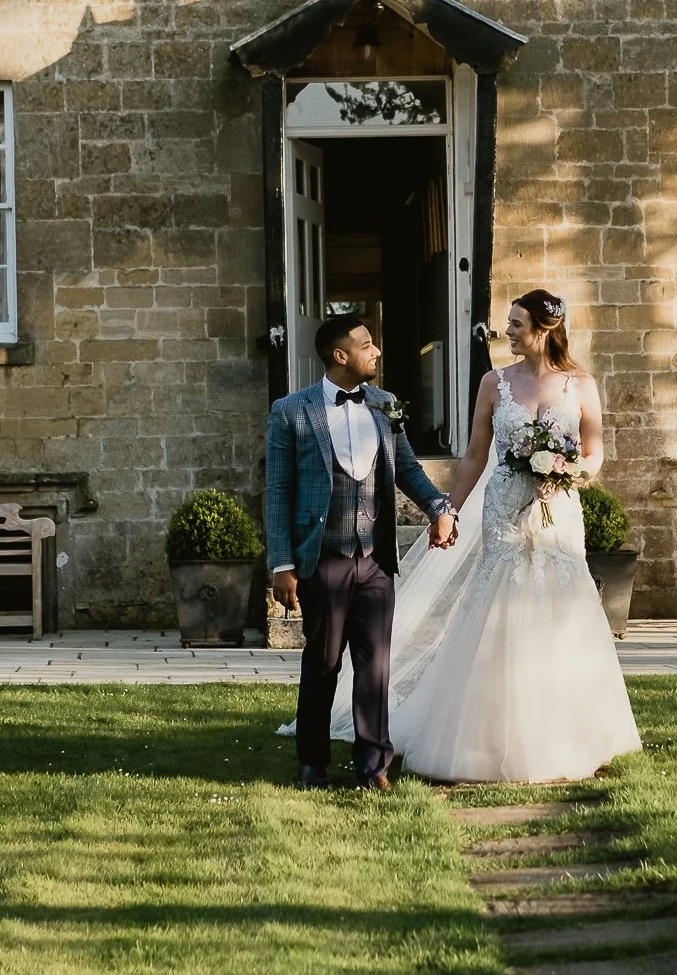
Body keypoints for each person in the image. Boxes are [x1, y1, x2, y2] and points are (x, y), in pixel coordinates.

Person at [387, 289, 642, 783]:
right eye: (509, 323)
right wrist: (449, 510)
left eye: (517, 324)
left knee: (560, 609)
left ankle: (569, 735)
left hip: (558, 511)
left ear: (543, 330)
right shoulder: (493, 383)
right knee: (497, 608)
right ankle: (486, 738)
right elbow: (474, 456)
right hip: (504, 509)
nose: (508, 332)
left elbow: (595, 455)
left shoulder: (581, 385)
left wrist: (568, 472)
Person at [265, 313, 456, 791]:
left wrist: (439, 507)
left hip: (375, 559)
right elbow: (278, 490)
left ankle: (374, 768)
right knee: (324, 663)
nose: (377, 351)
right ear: (339, 355)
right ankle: (313, 763)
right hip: (322, 558)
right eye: (367, 344)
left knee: (375, 666)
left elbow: (407, 468)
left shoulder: (385, 404)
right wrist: (282, 564)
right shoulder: (291, 411)